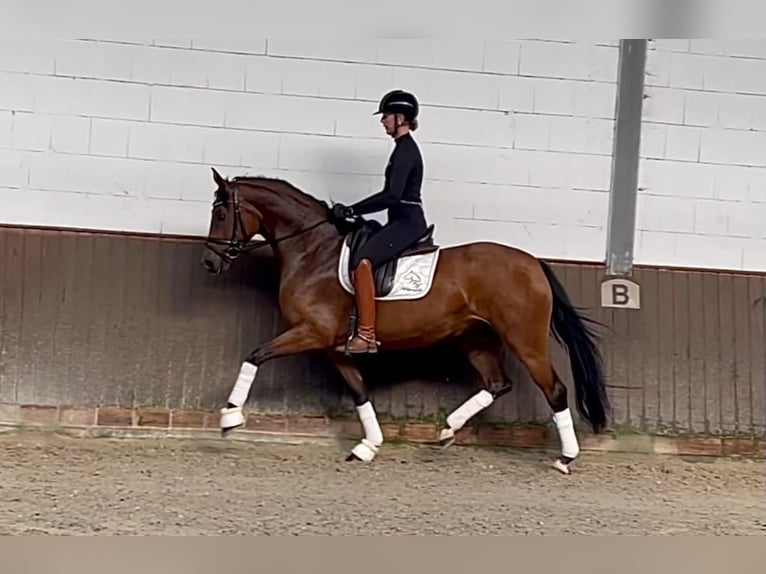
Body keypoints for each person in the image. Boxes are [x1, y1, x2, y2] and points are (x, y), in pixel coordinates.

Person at [331, 89, 429, 354]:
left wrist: (353, 208)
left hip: (408, 222)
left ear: (400, 118)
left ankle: (366, 335)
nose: (382, 120)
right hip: (401, 219)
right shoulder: (401, 149)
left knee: (363, 262)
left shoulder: (406, 151)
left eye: (386, 116)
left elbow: (392, 195)